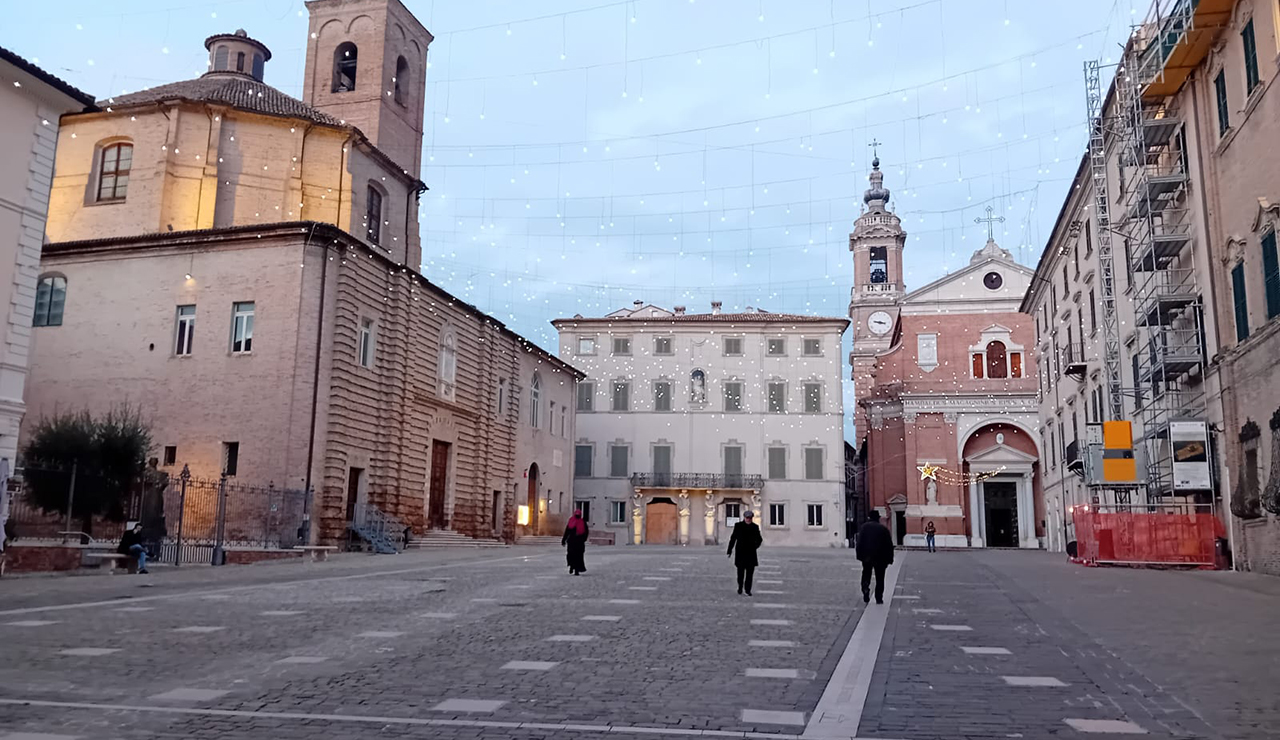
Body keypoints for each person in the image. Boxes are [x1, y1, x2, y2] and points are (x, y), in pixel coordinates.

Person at [855, 510, 894, 604]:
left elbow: (859, 542)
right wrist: (890, 558)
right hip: (881, 558)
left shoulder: (864, 527)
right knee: (880, 578)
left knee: (866, 574)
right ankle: (879, 597)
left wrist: (860, 555)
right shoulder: (883, 529)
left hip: (867, 557)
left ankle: (865, 588)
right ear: (878, 518)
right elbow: (889, 545)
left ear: (869, 517)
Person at [727, 510, 763, 596]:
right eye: (747, 518)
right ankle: (740, 586)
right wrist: (729, 550)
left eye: (750, 518)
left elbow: (759, 539)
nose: (748, 520)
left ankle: (747, 589)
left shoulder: (755, 527)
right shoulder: (738, 526)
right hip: (740, 553)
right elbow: (733, 538)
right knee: (740, 573)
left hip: (751, 553)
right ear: (744, 518)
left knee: (750, 574)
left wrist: (755, 546)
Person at [562, 509, 589, 575]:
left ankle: (575, 569)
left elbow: (585, 532)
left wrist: (583, 539)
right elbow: (567, 531)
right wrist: (564, 540)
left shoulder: (581, 522)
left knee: (577, 556)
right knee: (572, 555)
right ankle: (572, 567)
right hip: (573, 542)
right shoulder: (573, 521)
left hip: (577, 542)